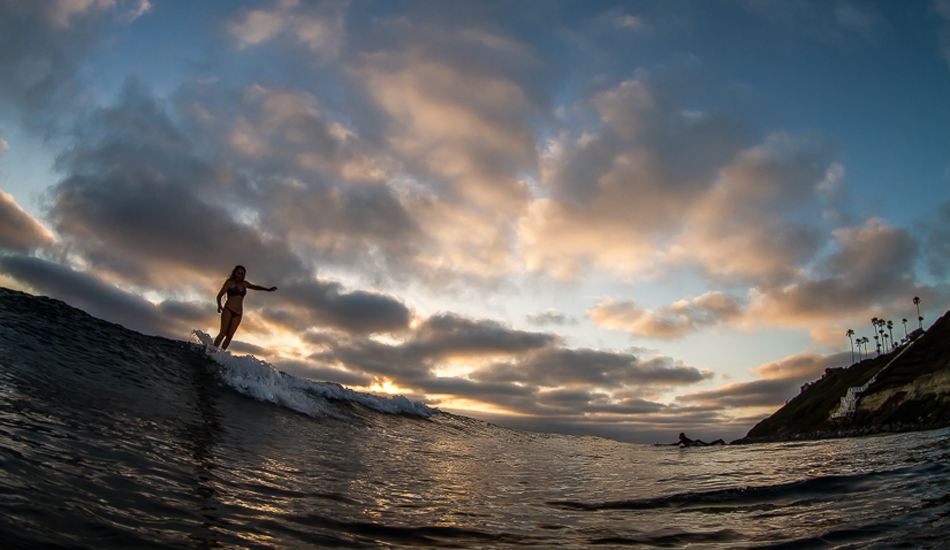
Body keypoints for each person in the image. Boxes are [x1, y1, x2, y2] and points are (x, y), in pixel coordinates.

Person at [214, 265, 277, 350]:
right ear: (235, 273)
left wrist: (267, 289)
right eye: (238, 273)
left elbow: (255, 287)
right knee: (223, 333)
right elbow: (219, 295)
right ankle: (212, 351)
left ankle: (220, 355)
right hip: (228, 309)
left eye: (242, 274)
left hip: (238, 313)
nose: (240, 275)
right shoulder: (230, 283)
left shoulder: (244, 284)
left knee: (229, 336)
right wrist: (219, 305)